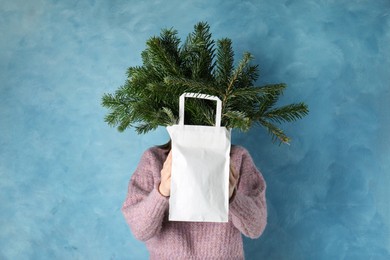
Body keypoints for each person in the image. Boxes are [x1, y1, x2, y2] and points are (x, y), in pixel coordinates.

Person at [121, 141, 267, 259]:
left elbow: (255, 228)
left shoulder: (237, 157)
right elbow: (140, 230)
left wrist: (232, 197)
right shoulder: (153, 159)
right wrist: (161, 192)